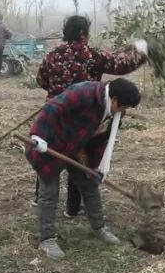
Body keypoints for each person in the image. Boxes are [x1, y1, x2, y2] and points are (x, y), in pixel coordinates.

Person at [32, 15, 148, 213]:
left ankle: (40, 197)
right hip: (81, 116)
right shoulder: (91, 55)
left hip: (54, 115)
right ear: (82, 34)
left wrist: (56, 91)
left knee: (48, 153)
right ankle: (73, 208)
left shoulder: (51, 55)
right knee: (77, 159)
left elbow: (41, 80)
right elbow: (122, 65)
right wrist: (142, 50)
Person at [26, 78, 142, 259]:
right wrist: (39, 136)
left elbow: (101, 142)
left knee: (90, 185)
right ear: (114, 99)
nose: (123, 112)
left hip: (77, 148)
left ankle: (99, 227)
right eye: (123, 107)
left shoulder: (114, 114)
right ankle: (46, 239)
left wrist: (95, 167)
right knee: (49, 192)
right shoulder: (83, 94)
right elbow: (50, 109)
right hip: (51, 144)